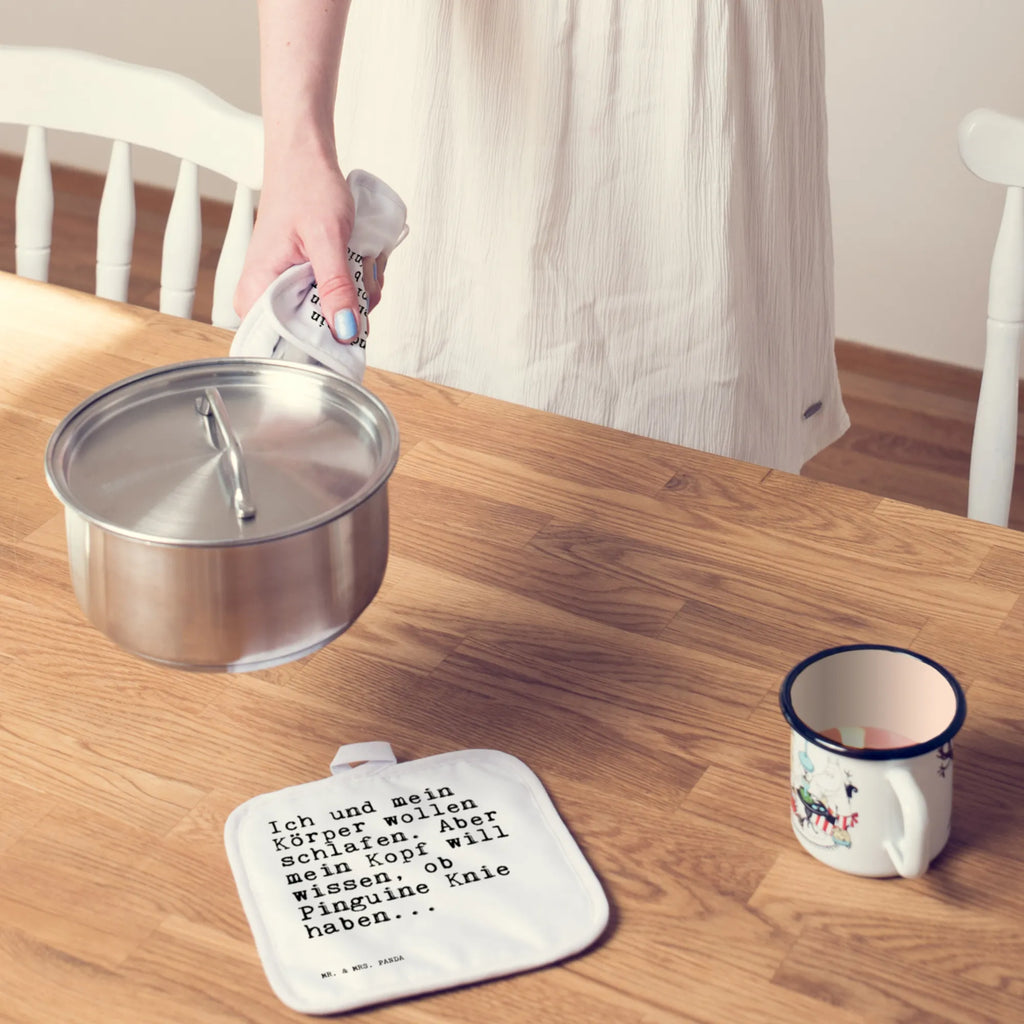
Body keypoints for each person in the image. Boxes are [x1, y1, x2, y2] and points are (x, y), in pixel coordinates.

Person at [235, 0, 849, 473]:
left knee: (708, 484)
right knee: (422, 473)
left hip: (701, 70)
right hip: (459, 79)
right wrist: (294, 155)